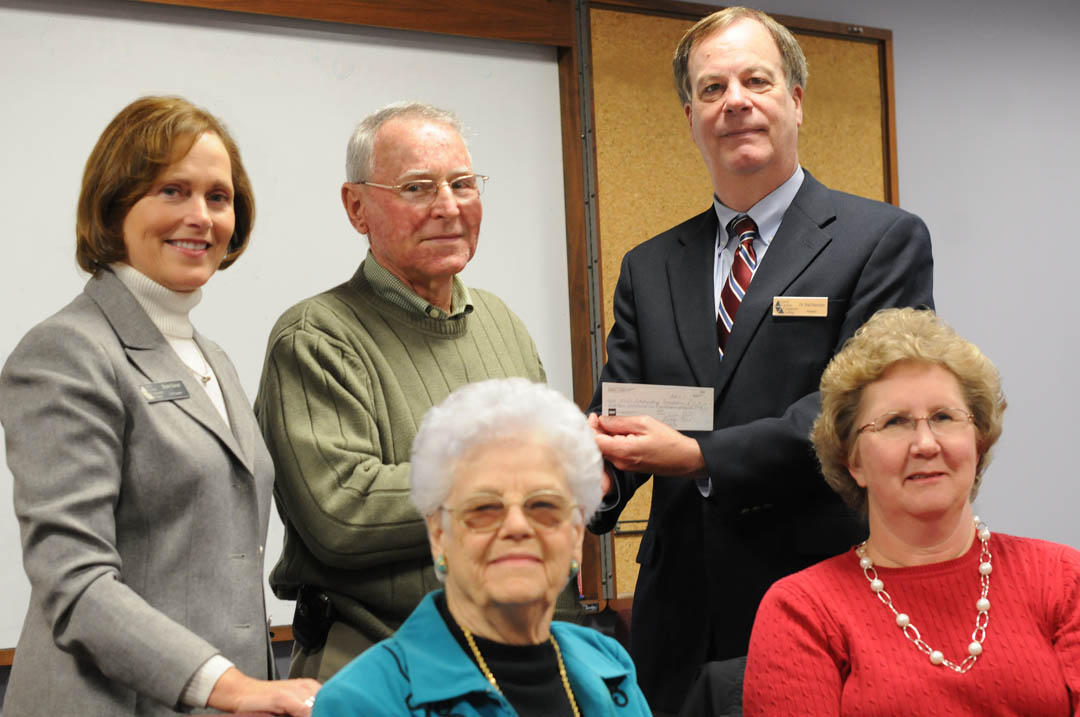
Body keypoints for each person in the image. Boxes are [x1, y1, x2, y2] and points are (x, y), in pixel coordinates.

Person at [586, 6, 935, 713]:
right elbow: (625, 407)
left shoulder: (880, 240)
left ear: (796, 101)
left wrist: (700, 456)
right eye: (712, 89)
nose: (735, 101)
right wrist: (588, 472)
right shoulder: (649, 265)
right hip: (678, 618)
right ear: (690, 116)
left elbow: (861, 414)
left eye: (756, 81)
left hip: (819, 593)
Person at [0, 96, 320, 715]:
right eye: (172, 191)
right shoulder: (66, 351)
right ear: (115, 205)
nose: (200, 216)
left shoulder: (212, 357)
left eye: (218, 197)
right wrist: (235, 687)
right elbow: (75, 581)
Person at [255, 102, 553, 682]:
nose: (448, 207)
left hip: (513, 659)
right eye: (418, 187)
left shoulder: (501, 323)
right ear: (356, 207)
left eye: (463, 184)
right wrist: (506, 486)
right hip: (379, 667)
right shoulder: (316, 337)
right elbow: (343, 511)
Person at [743, 307, 1080, 714]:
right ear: (853, 460)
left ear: (979, 441)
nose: (925, 444)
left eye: (943, 417)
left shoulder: (1063, 580)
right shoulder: (802, 612)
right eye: (895, 422)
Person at [310, 378, 651, 715]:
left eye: (544, 505)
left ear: (576, 534)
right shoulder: (361, 700)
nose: (517, 526)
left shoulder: (609, 664)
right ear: (439, 535)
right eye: (484, 508)